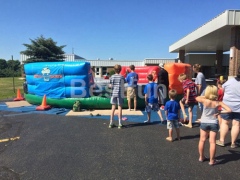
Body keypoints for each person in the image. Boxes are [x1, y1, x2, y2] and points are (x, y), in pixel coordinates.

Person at [196, 85, 231, 165]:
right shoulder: (218, 102)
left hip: (204, 122)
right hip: (213, 123)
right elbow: (229, 110)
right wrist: (220, 112)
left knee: (202, 140)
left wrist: (206, 95)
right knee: (212, 142)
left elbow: (197, 97)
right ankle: (212, 161)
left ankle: (201, 157)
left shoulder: (204, 100)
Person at [216, 66, 240, 148]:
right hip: (239, 107)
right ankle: (233, 143)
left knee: (225, 122)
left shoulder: (229, 82)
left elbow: (222, 90)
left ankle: (221, 140)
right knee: (236, 124)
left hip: (227, 106)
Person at [108, 64, 126, 129]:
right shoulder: (122, 77)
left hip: (113, 93)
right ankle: (120, 123)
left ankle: (111, 123)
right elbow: (123, 84)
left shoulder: (112, 77)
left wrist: (110, 86)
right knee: (120, 108)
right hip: (120, 94)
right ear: (120, 70)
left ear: (114, 69)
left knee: (113, 108)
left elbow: (110, 85)